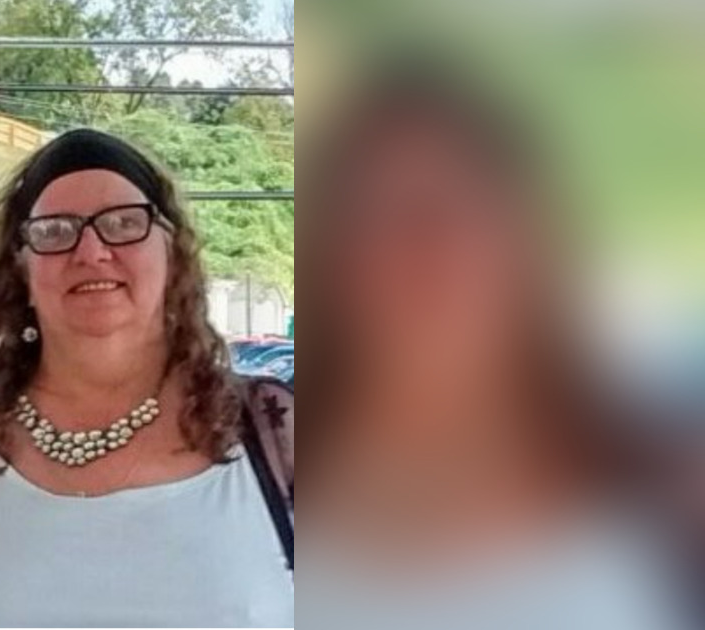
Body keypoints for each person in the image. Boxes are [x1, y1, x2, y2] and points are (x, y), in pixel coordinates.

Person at [293, 62, 698, 629]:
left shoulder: (666, 482)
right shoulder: (275, 467)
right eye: (381, 215)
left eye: (462, 210)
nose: (431, 248)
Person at [0, 129, 294, 627]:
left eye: (124, 223)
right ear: (21, 268)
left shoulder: (279, 434)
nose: (91, 251)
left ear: (172, 253)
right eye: (55, 230)